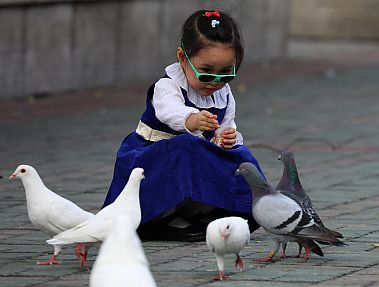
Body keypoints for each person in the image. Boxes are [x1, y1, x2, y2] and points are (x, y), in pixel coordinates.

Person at [103, 9, 265, 241]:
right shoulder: (168, 86)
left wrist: (225, 137)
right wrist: (192, 119)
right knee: (186, 145)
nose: (216, 82)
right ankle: (160, 217)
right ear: (182, 58)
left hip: (191, 153)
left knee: (240, 155)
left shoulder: (224, 94)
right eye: (207, 72)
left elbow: (226, 124)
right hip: (151, 156)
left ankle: (216, 209)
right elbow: (170, 112)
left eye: (226, 74)